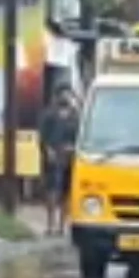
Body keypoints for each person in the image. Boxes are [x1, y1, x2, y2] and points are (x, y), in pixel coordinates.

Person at [38, 85, 80, 236]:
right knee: (51, 192)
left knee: (66, 193)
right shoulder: (49, 115)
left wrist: (74, 148)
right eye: (63, 94)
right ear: (57, 96)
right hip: (52, 159)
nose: (66, 97)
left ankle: (62, 226)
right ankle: (50, 225)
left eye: (69, 94)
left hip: (69, 159)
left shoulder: (76, 116)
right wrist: (48, 150)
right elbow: (42, 137)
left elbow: (80, 138)